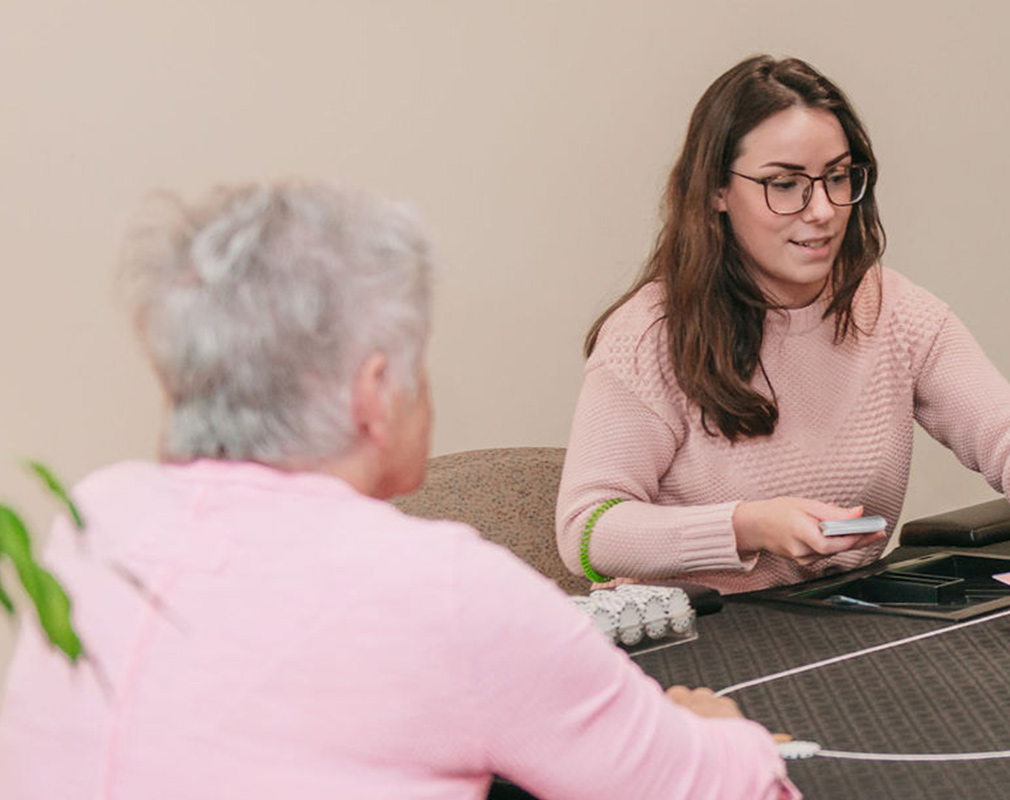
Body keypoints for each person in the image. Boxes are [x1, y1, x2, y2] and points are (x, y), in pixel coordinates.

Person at [0, 183, 794, 799]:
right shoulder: (444, 585)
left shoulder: (92, 521)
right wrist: (720, 733)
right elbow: (730, 789)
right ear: (374, 393)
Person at [560, 56, 1010, 592]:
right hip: (696, 643)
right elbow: (586, 531)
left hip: (838, 623)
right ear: (716, 193)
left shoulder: (895, 310)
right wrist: (746, 526)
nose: (821, 209)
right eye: (784, 183)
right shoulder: (648, 335)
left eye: (837, 177)